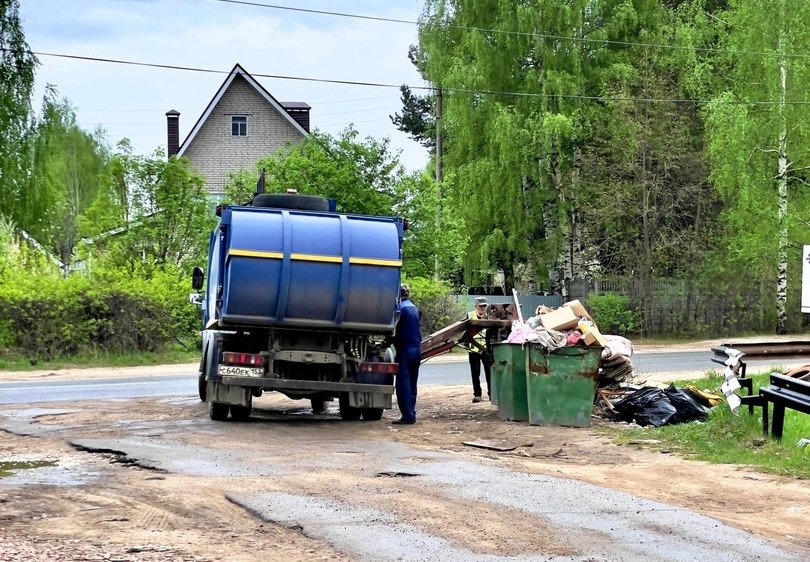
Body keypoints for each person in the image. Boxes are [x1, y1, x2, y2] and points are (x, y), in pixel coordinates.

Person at [391, 283, 422, 425]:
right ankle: (412, 412)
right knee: (412, 382)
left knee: (403, 383)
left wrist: (386, 342)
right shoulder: (414, 308)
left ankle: (407, 415)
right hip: (416, 349)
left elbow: (394, 330)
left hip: (404, 350)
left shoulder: (399, 309)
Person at [467, 296, 492, 403]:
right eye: (480, 306)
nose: (482, 308)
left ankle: (492, 394)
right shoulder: (470, 315)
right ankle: (477, 394)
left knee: (489, 372)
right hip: (474, 349)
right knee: (475, 372)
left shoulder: (490, 316)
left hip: (486, 349)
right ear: (476, 306)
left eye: (484, 306)